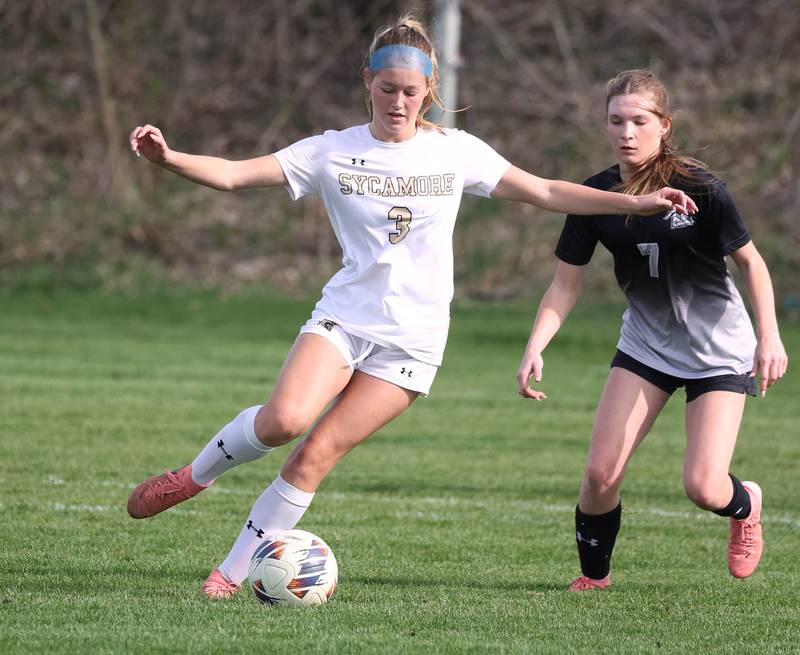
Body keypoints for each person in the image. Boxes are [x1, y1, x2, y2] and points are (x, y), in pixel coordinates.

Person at [128, 21, 696, 599]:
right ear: (367, 81)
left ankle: (229, 574)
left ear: (429, 90)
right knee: (284, 421)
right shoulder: (332, 150)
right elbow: (232, 175)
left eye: (410, 91)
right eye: (387, 89)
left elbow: (547, 191)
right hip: (345, 318)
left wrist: (636, 203)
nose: (398, 102)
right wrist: (168, 157)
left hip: (413, 342)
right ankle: (192, 477)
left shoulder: (455, 151)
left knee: (313, 458)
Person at [516, 69, 788, 591]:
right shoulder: (595, 196)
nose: (627, 132)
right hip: (647, 347)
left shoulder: (701, 188)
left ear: (664, 125)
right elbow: (565, 285)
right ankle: (594, 578)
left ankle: (745, 503)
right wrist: (535, 345)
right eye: (616, 121)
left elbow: (751, 263)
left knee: (704, 487)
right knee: (600, 474)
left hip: (718, 351)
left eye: (640, 121)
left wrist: (769, 335)